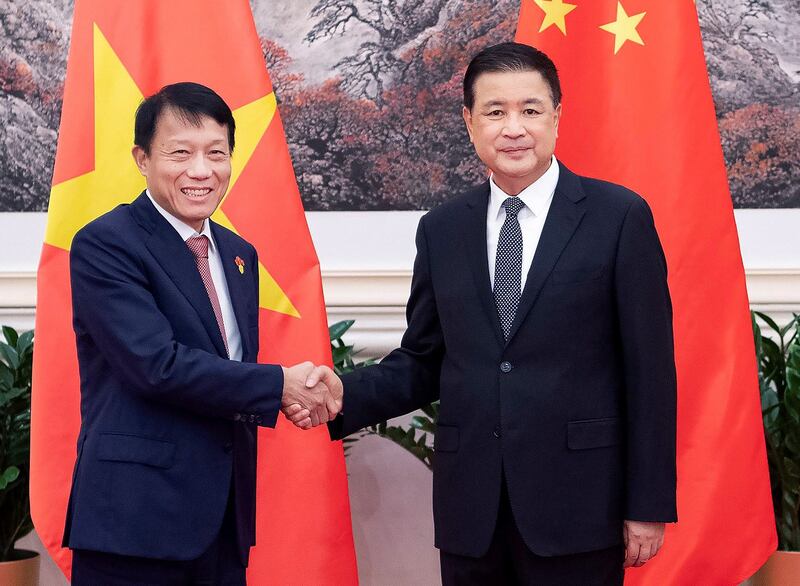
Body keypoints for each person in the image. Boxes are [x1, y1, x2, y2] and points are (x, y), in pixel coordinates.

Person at [303, 43, 677, 585]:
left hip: (578, 505)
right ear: (470, 122)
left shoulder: (619, 217)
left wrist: (647, 503)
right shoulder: (442, 229)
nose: (514, 128)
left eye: (531, 110)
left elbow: (650, 372)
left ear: (557, 117)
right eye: (495, 112)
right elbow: (425, 358)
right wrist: (343, 394)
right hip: (471, 511)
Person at [63, 82, 338, 585]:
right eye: (180, 153)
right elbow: (156, 365)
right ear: (142, 158)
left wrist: (290, 393)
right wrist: (280, 386)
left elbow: (229, 371)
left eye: (217, 153)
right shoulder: (107, 244)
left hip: (222, 520)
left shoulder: (238, 254)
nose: (201, 170)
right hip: (136, 521)